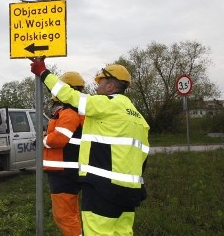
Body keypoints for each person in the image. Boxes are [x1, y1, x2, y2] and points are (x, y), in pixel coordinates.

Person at [30, 58, 150, 236]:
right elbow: (143, 157)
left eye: (100, 82)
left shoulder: (106, 105)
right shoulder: (139, 118)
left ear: (110, 86)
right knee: (122, 233)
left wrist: (43, 72)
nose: (97, 88)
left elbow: (70, 96)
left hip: (102, 190)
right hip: (130, 193)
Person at [43, 71, 85, 236]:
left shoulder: (69, 113)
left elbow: (59, 139)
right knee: (70, 213)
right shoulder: (72, 112)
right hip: (65, 171)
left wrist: (44, 140)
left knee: (64, 215)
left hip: (64, 173)